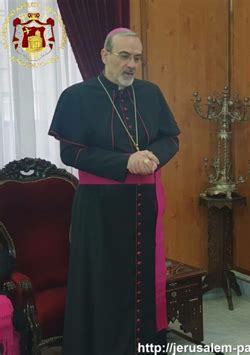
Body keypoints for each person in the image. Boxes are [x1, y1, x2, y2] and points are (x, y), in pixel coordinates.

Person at [48, 28, 180, 355]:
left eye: (136, 58)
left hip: (144, 205)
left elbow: (170, 139)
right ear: (105, 56)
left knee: (145, 282)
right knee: (104, 283)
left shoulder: (151, 93)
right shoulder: (77, 96)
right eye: (124, 56)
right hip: (99, 210)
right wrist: (125, 163)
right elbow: (71, 153)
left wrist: (153, 157)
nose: (131, 64)